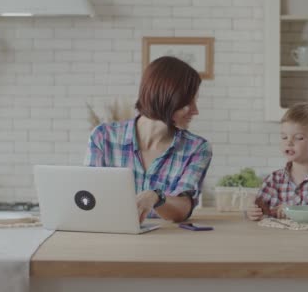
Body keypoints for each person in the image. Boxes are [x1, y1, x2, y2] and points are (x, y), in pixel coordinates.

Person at [84, 56, 213, 223]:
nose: (195, 111)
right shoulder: (103, 137)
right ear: (166, 98)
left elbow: (183, 209)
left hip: (168, 240)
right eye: (188, 102)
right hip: (112, 235)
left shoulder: (197, 149)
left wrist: (156, 197)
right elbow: (88, 196)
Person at [247, 102, 308, 221]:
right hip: (280, 239)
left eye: (298, 138)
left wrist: (294, 210)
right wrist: (252, 211)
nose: (289, 142)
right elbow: (257, 207)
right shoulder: (273, 179)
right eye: (284, 137)